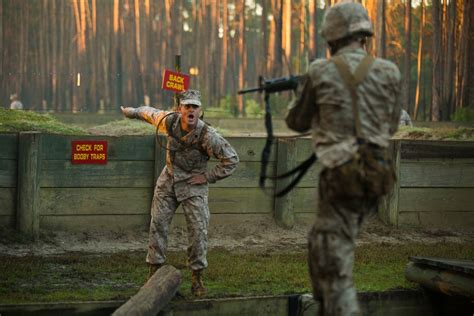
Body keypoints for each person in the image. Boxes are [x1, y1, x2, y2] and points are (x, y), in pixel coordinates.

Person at [285, 2, 401, 315]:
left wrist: (302, 91)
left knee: (335, 268)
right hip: (378, 171)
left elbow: (296, 122)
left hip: (342, 175)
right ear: (364, 34)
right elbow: (390, 125)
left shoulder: (321, 71)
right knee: (322, 245)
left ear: (332, 37)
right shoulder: (389, 71)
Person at [121, 89, 239, 296]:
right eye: (187, 106)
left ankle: (197, 278)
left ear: (200, 111)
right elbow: (148, 112)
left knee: (198, 230)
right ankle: (153, 273)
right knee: (157, 223)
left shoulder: (208, 136)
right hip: (169, 179)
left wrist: (208, 177)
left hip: (194, 184)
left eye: (194, 107)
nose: (190, 110)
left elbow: (231, 159)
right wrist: (131, 111)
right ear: (179, 109)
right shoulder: (169, 122)